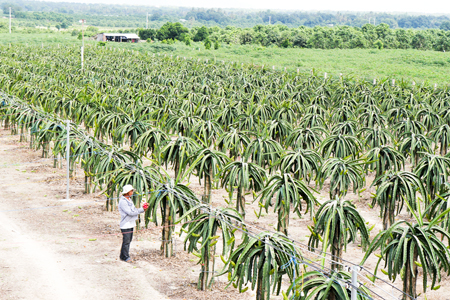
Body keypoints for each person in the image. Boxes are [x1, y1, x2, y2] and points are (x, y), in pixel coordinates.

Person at [118, 184, 148, 262]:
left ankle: (122, 255)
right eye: (131, 191)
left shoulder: (129, 199)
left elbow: (134, 209)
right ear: (127, 192)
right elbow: (130, 212)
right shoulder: (123, 201)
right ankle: (125, 257)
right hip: (126, 224)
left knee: (129, 240)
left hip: (130, 223)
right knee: (126, 241)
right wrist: (141, 209)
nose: (132, 192)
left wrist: (142, 208)